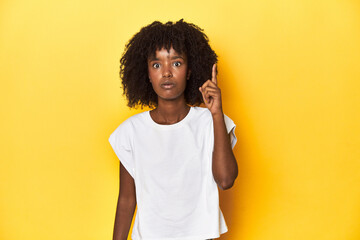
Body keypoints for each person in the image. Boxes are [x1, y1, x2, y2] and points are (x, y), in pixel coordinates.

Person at [109, 19, 238, 240]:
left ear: (190, 71)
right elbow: (127, 200)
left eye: (176, 63)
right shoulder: (131, 131)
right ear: (147, 74)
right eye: (156, 65)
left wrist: (216, 113)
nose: (166, 73)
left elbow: (226, 181)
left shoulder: (210, 123)